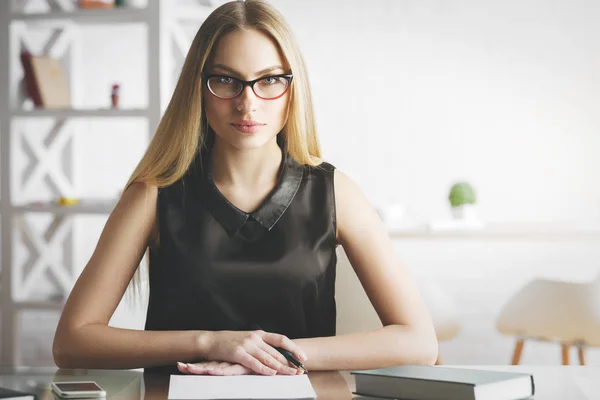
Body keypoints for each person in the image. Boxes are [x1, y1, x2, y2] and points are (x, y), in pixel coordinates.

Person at [52, 0, 438, 376]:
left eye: (269, 79)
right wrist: (210, 342)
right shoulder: (153, 193)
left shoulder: (337, 192)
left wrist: (272, 357)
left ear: (293, 87)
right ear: (198, 88)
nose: (247, 103)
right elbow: (71, 342)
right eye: (226, 80)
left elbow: (420, 342)